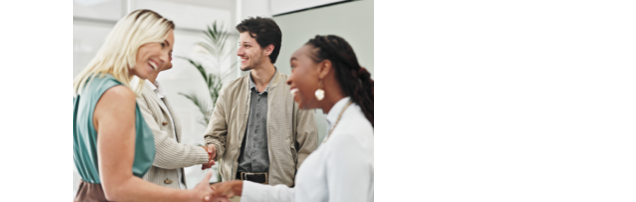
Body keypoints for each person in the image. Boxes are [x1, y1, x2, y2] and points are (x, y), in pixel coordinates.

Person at [72, 9, 217, 202]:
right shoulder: (119, 94)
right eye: (162, 45)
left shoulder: (89, 84)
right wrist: (192, 195)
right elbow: (118, 189)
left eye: (169, 51)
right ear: (135, 37)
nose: (166, 58)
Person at [210, 35, 375, 202]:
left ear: (323, 68)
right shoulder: (342, 124)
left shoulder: (347, 137)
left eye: (295, 67)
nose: (289, 79)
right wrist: (238, 187)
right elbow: (303, 197)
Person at [203, 17, 319, 191]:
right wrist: (212, 149)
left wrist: (300, 191)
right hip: (235, 190)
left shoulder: (296, 91)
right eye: (239, 45)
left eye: (247, 46)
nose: (239, 52)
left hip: (279, 192)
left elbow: (307, 148)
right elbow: (215, 137)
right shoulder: (229, 91)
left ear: (268, 49)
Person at [136, 53, 216, 189]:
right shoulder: (134, 92)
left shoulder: (156, 91)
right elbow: (160, 151)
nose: (169, 51)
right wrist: (204, 153)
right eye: (163, 45)